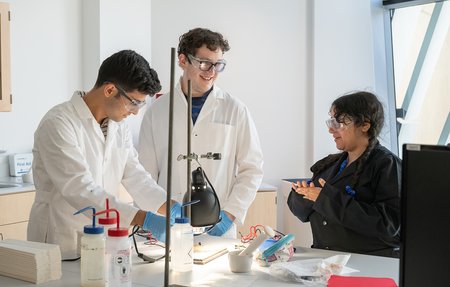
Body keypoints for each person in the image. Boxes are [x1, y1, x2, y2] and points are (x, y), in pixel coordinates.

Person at [27, 50, 180, 259]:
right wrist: (141, 218)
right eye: (134, 102)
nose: (136, 112)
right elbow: (79, 187)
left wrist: (170, 207)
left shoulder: (118, 126)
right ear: (109, 90)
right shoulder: (59, 123)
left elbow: (134, 173)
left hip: (101, 239)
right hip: (60, 240)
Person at [138, 28, 264, 238]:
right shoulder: (157, 111)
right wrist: (158, 213)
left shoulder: (235, 109)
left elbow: (252, 169)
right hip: (169, 226)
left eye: (218, 65)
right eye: (204, 63)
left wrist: (230, 214)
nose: (211, 71)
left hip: (219, 225)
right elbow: (144, 174)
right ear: (182, 60)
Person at [287, 91, 401, 258]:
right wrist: (302, 196)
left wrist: (324, 199)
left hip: (368, 263)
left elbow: (388, 225)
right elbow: (303, 213)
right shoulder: (329, 164)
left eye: (339, 122)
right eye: (331, 121)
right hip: (326, 260)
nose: (331, 129)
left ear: (364, 125)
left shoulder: (386, 164)